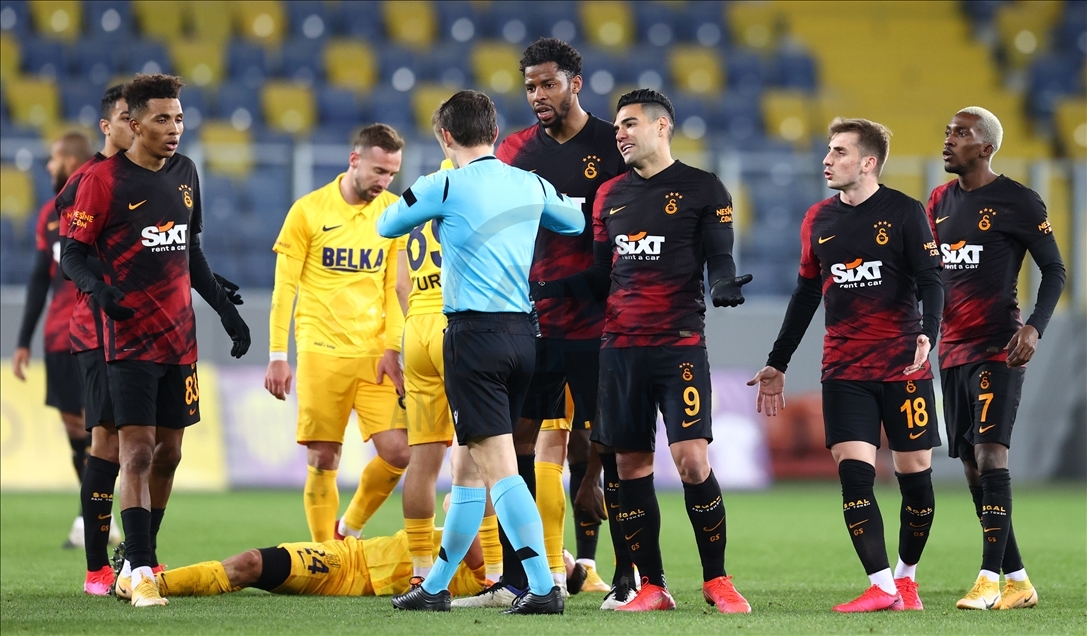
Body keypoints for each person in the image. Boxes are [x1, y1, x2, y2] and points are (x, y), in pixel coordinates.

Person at [539, 88, 752, 613]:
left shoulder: (704, 187)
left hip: (679, 347)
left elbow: (720, 257)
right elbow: (600, 274)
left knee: (692, 461)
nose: (620, 133)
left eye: (630, 123)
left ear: (662, 126)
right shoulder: (609, 195)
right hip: (619, 349)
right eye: (617, 126)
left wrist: (724, 284)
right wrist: (548, 288)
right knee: (630, 466)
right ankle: (652, 586)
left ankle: (717, 579)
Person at [377, 89, 583, 614]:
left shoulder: (444, 183)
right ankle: (436, 586)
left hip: (473, 339)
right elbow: (575, 221)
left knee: (499, 468)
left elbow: (386, 224)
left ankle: (542, 586)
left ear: (445, 137)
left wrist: (431, 200)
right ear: (494, 133)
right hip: (523, 337)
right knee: (466, 468)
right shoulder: (529, 182)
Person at [62, 73, 251, 607]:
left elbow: (190, 251)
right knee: (137, 451)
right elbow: (72, 253)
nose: (174, 129)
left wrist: (225, 313)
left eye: (180, 118)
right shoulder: (103, 181)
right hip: (127, 339)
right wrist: (98, 289)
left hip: (180, 341)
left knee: (169, 454)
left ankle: (133, 558)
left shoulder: (187, 172)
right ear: (134, 123)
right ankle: (141, 569)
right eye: (162, 119)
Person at [749, 117, 944, 613]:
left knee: (915, 478)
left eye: (839, 152)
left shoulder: (904, 212)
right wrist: (777, 361)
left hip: (904, 367)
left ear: (868, 162)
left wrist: (929, 333)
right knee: (855, 476)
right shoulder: (817, 219)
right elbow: (806, 294)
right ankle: (881, 586)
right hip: (844, 370)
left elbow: (931, 279)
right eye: (828, 150)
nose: (827, 160)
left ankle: (906, 578)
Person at [477, 36, 625, 605]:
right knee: (516, 441)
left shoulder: (612, 145)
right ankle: (518, 578)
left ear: (575, 84)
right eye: (530, 86)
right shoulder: (515, 149)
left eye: (548, 84)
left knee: (606, 442)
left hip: (598, 321)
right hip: (531, 321)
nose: (538, 95)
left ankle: (625, 579)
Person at [927, 107, 1064, 610]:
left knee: (990, 455)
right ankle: (1019, 581)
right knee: (970, 464)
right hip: (952, 350)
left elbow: (1055, 270)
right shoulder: (938, 201)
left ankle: (987, 579)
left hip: (998, 349)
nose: (949, 140)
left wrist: (1034, 326)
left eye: (960, 133)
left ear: (986, 147)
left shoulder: (1018, 200)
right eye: (947, 131)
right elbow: (929, 274)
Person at [263, 124, 410, 544]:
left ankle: (348, 529)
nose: (384, 182)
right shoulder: (308, 211)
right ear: (354, 160)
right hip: (321, 350)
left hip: (375, 353)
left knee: (399, 453)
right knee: (324, 455)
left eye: (392, 174)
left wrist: (393, 348)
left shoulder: (394, 213)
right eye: (379, 171)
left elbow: (395, 287)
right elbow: (285, 288)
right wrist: (277, 355)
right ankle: (325, 555)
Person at [12, 130, 94, 550]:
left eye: (54, 158)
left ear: (71, 161)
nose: (48, 165)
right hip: (59, 336)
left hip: (96, 333)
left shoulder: (100, 201)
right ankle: (93, 510)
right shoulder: (49, 214)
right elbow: (38, 279)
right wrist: (23, 340)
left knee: (99, 425)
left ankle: (93, 515)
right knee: (73, 425)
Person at [394, 107, 462, 586]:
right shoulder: (472, 187)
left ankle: (420, 569)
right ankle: (493, 570)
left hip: (415, 326)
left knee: (423, 459)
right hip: (457, 323)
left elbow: (400, 284)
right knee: (477, 455)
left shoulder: (416, 193)